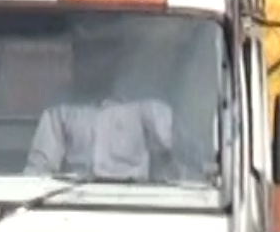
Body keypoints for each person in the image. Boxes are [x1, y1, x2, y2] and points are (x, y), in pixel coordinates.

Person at [25, 27, 183, 181]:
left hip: (134, 199)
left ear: (117, 59)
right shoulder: (62, 104)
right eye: (84, 53)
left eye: (101, 53)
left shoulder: (145, 101)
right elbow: (40, 167)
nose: (93, 61)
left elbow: (179, 155)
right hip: (74, 198)